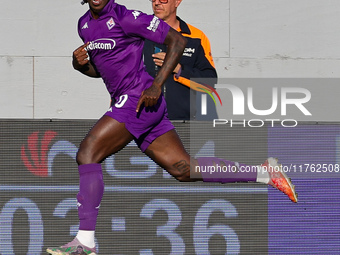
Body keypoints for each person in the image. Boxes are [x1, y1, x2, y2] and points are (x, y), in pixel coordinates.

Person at [47, 0, 297, 254]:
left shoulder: (126, 17)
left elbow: (177, 41)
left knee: (88, 153)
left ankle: (85, 242)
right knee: (184, 169)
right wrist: (80, 65)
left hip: (138, 99)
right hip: (136, 103)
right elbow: (103, 70)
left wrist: (157, 84)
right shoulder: (84, 24)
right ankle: (265, 173)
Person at [143, 0, 218, 120]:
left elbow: (209, 83)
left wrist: (177, 68)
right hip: (141, 122)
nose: (156, 3)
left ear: (177, 2)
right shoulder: (137, 33)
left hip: (182, 123)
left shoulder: (196, 37)